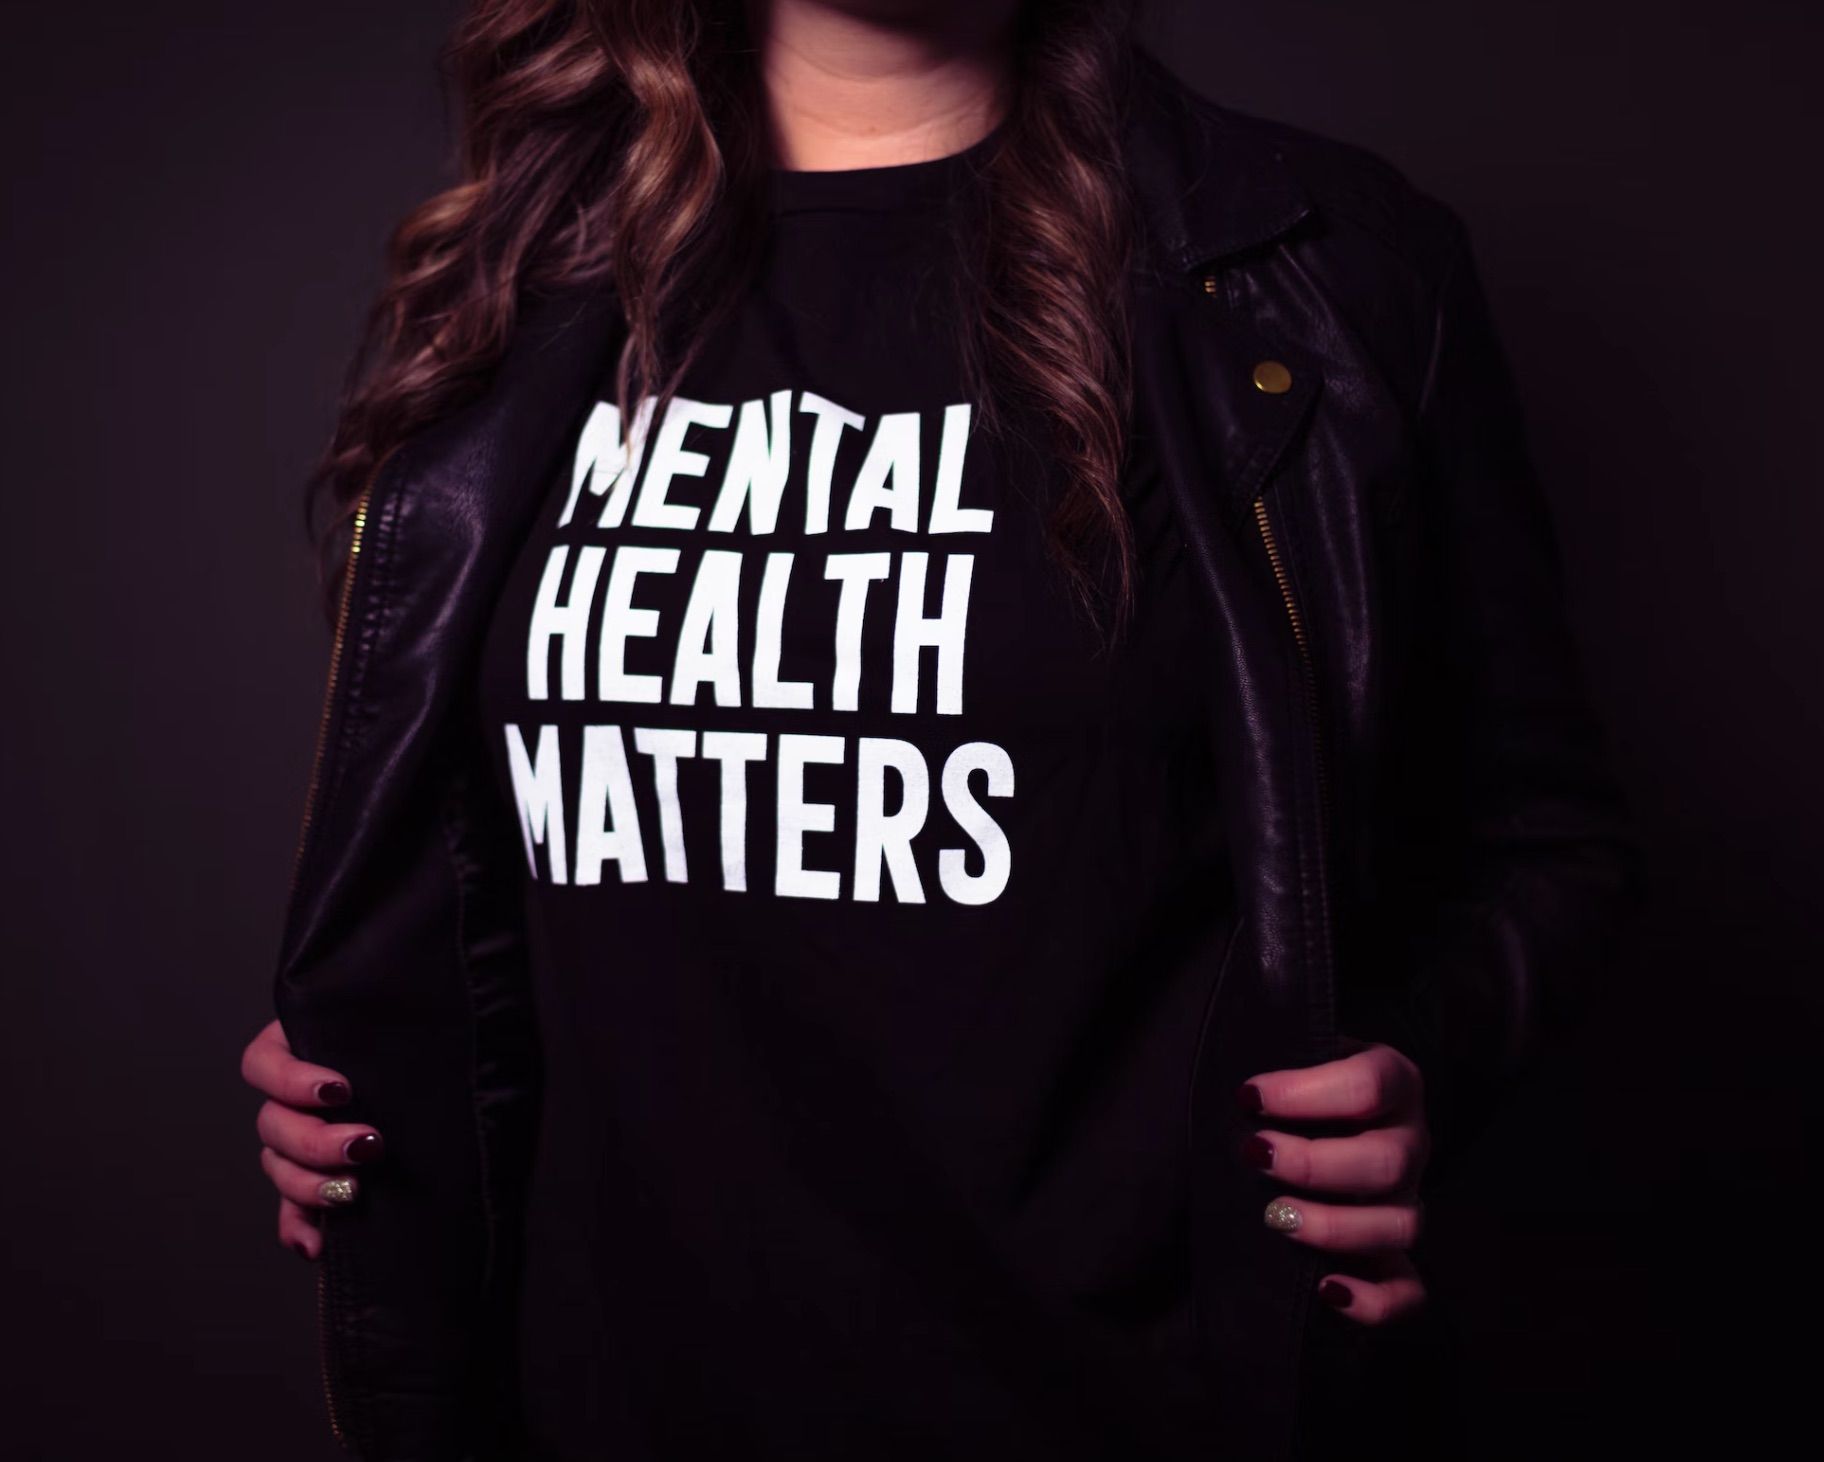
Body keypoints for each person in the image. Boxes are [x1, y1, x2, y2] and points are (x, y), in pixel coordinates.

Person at [238, 1, 1640, 1458]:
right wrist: (388, 1060)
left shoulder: (1322, 264)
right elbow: (499, 863)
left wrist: (1423, 1061)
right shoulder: (517, 279)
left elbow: (1546, 838)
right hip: (611, 1406)